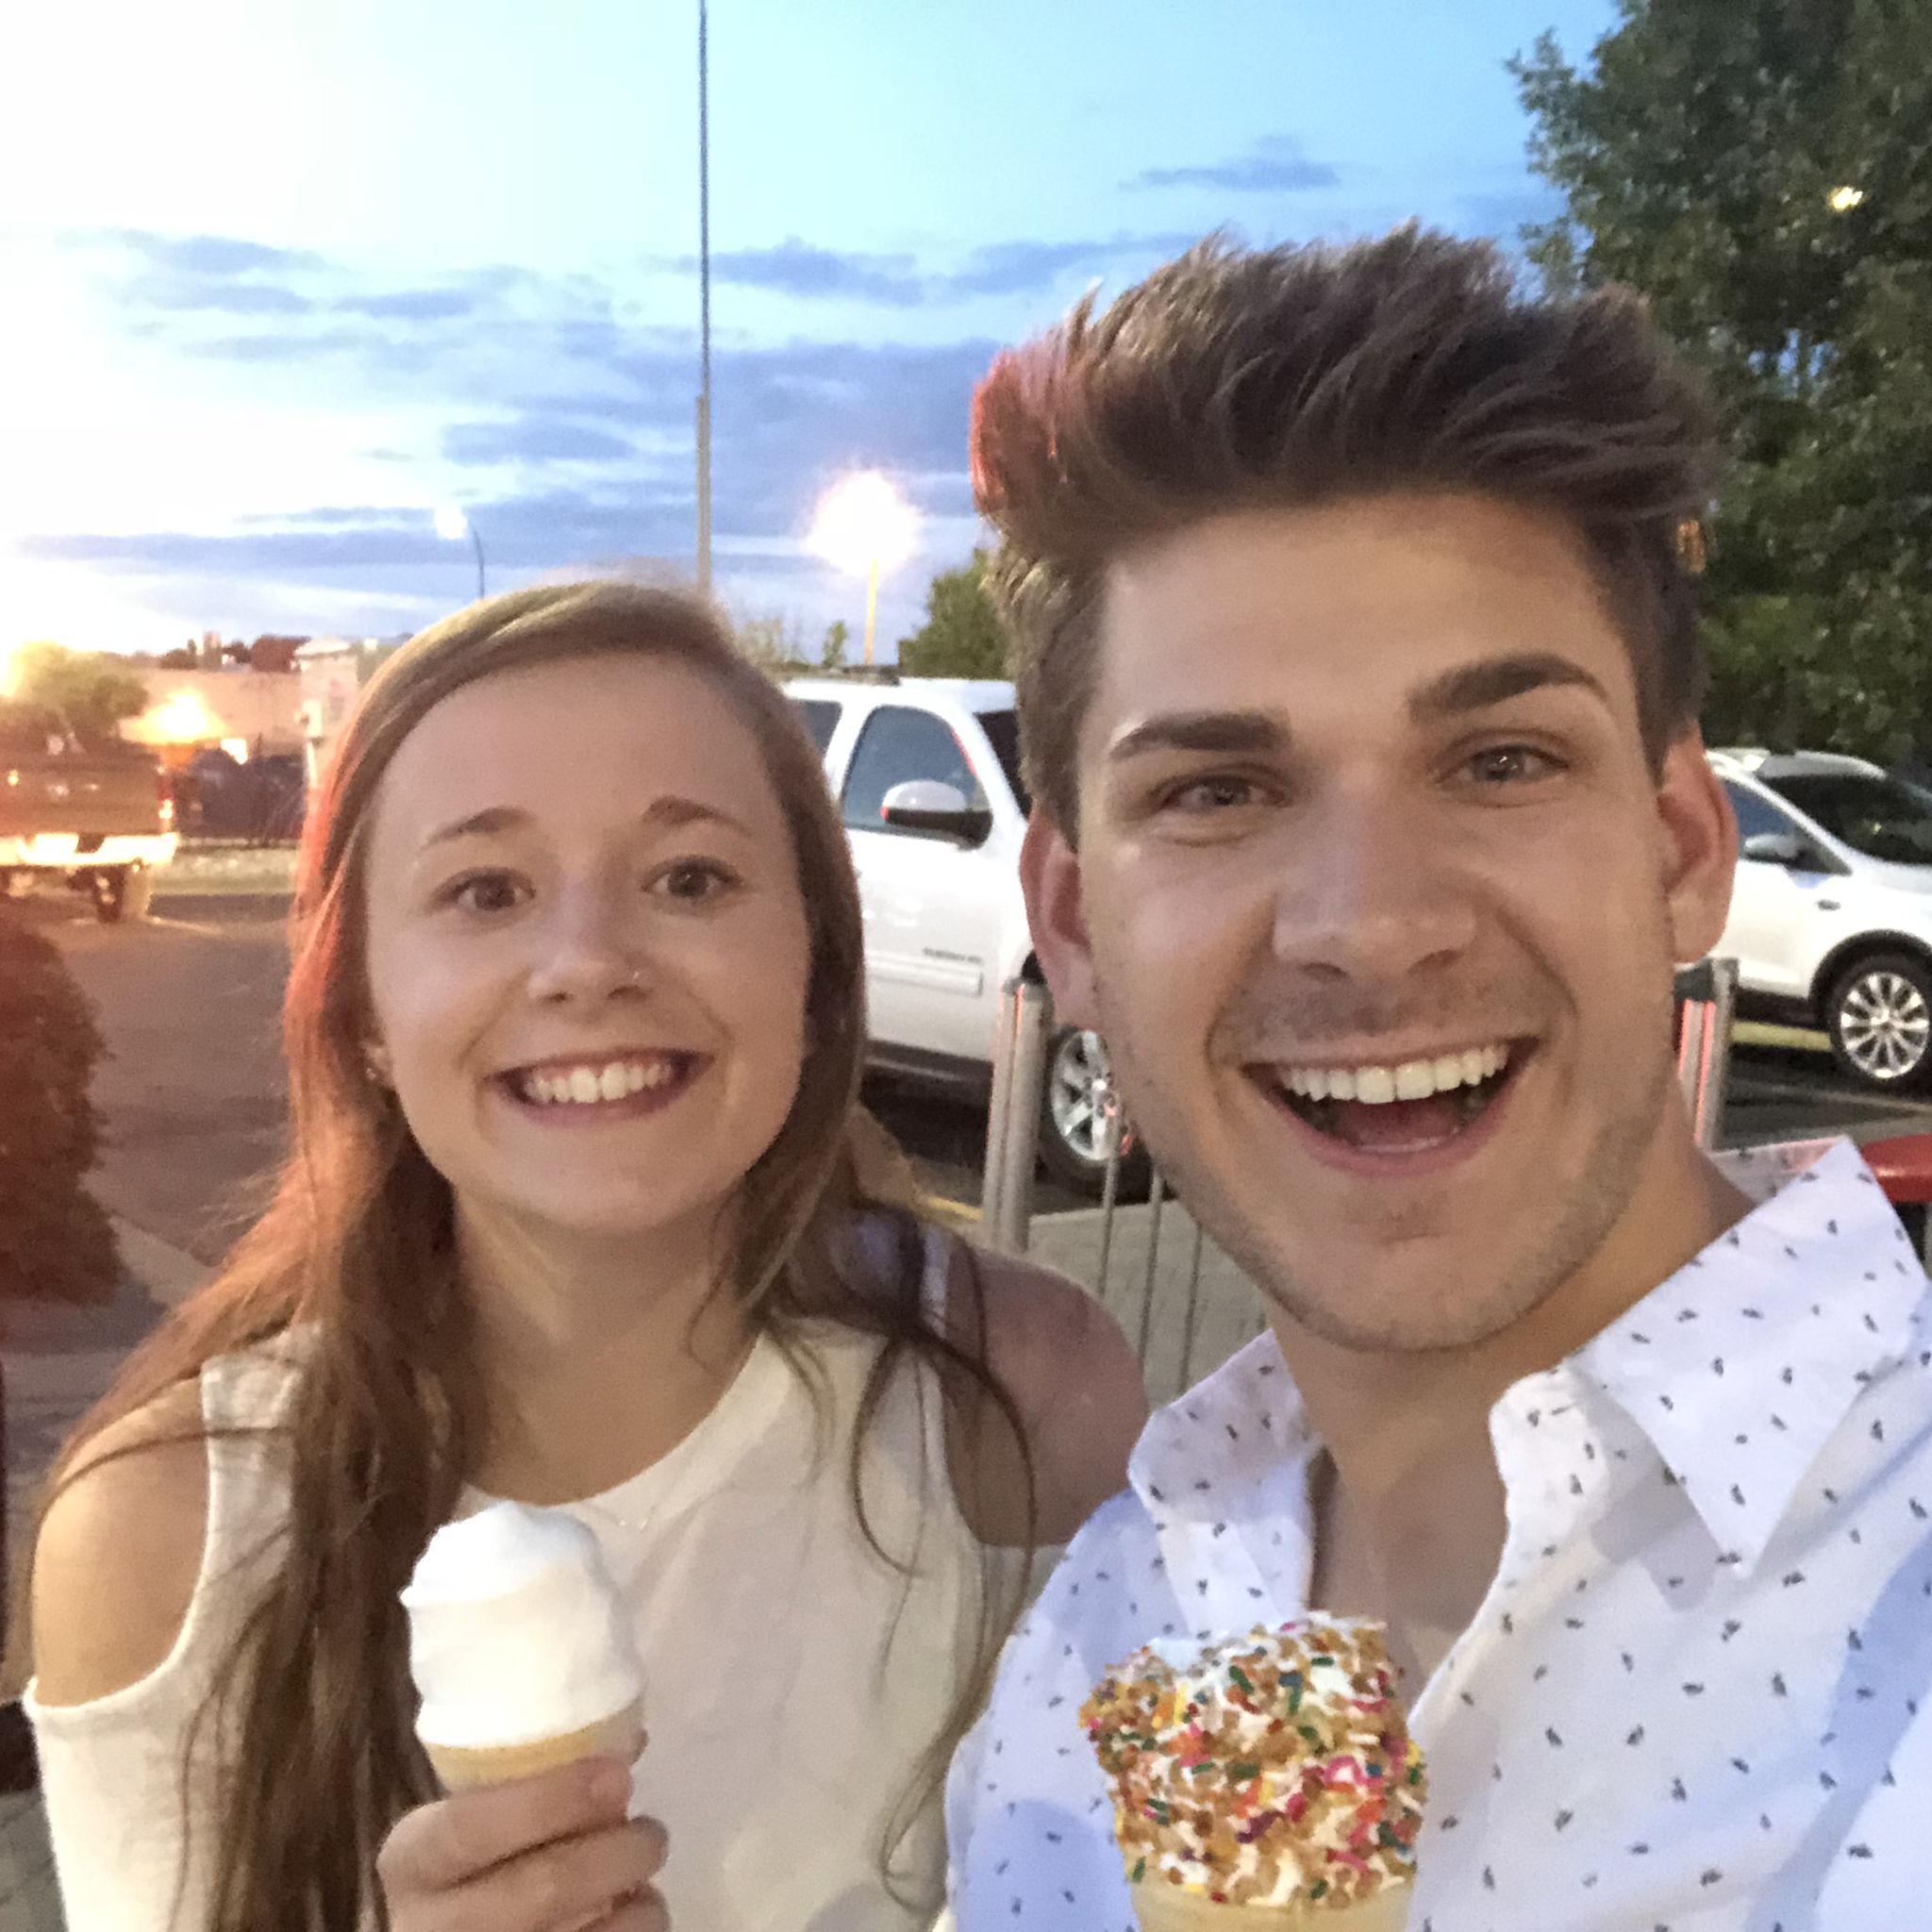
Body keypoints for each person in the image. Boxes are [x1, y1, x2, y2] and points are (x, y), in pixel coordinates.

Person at [944, 228, 1932, 1929]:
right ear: (1073, 919)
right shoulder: (1115, 1617)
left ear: (1683, 846)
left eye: (1498, 761)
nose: (1370, 929)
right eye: (1217, 793)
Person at [23, 582, 1146, 1932]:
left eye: (690, 879)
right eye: (484, 891)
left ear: (815, 964)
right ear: (366, 1008)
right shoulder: (165, 1540)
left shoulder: (1019, 1400)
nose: (587, 962)